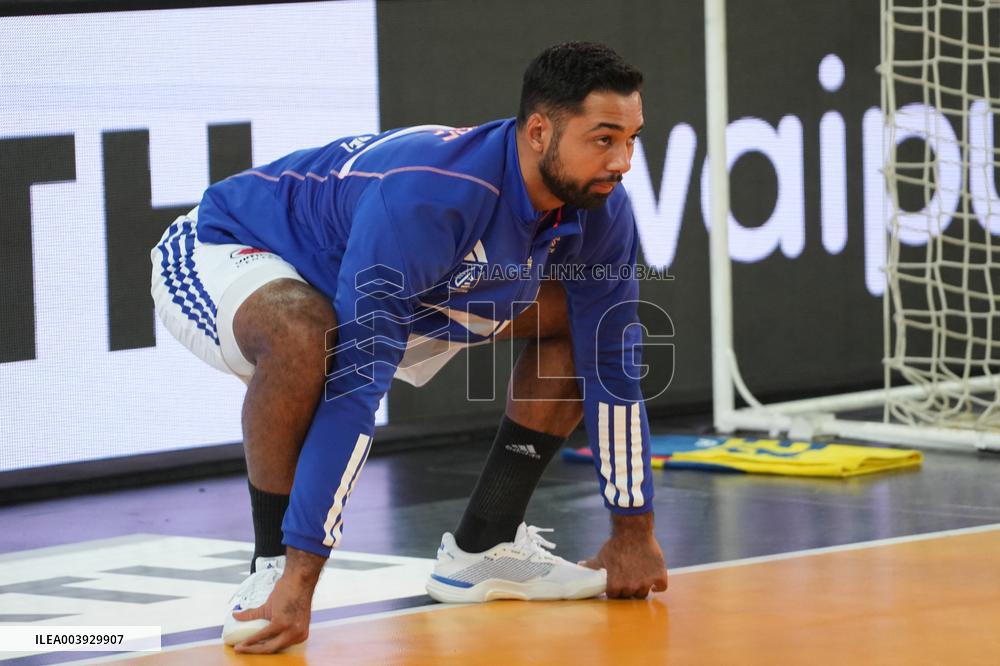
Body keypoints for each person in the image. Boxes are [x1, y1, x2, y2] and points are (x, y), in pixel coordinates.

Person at [150, 41, 668, 655]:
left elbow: (612, 363)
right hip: (232, 244)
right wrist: (302, 574)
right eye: (604, 139)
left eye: (632, 139)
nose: (624, 161)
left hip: (416, 278)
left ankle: (485, 546)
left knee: (579, 327)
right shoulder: (429, 199)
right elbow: (353, 392)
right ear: (537, 132)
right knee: (306, 334)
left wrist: (632, 527)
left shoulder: (601, 209)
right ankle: (270, 562)